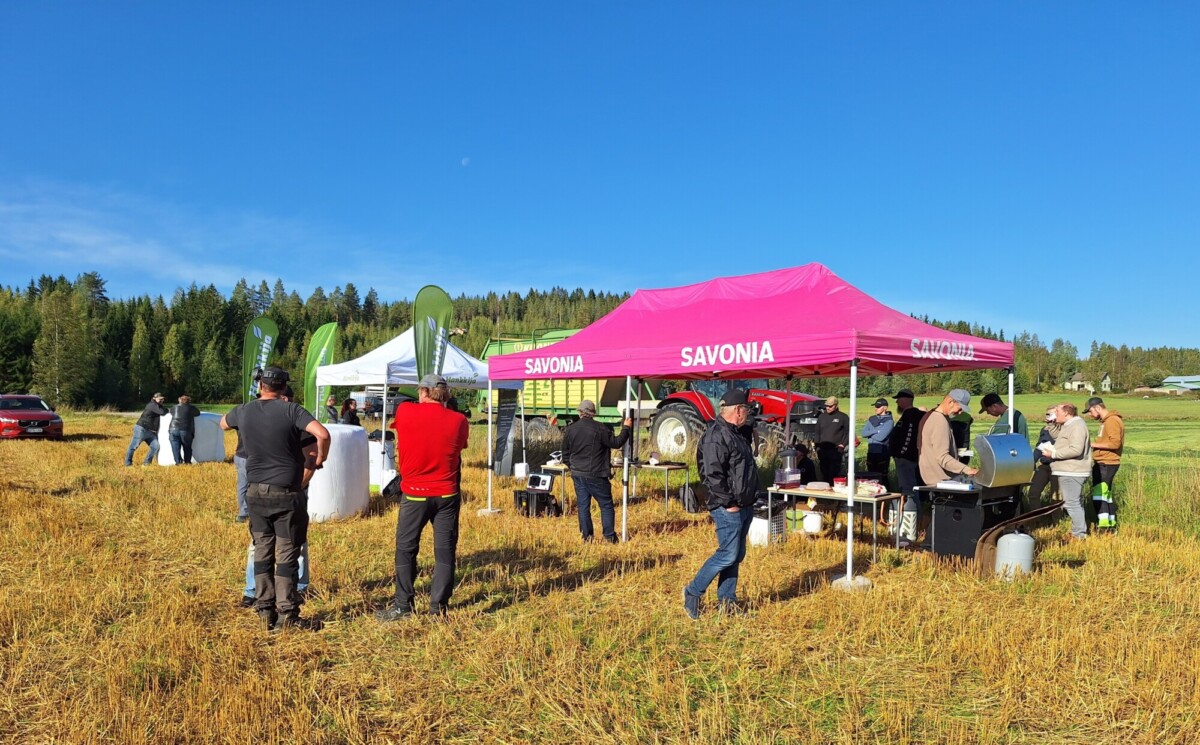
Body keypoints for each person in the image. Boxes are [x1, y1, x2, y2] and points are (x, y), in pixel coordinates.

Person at [221, 367, 330, 631]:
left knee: (262, 552)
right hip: (286, 493)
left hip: (256, 492)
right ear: (283, 388)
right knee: (287, 555)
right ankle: (287, 615)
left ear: (260, 385)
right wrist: (320, 459)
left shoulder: (244, 410)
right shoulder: (292, 410)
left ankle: (264, 611)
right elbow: (323, 434)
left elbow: (223, 423)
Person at [377, 374, 469, 621]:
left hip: (415, 493)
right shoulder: (459, 420)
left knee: (406, 550)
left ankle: (403, 607)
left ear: (423, 392)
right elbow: (460, 448)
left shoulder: (406, 411)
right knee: (445, 551)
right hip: (447, 492)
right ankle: (438, 608)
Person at [682, 388, 759, 620]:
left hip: (743, 504)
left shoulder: (735, 432)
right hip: (728, 507)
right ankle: (693, 591)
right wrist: (729, 503)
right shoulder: (716, 436)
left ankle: (727, 601)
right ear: (737, 410)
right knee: (727, 554)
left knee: (736, 555)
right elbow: (712, 476)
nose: (747, 413)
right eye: (745, 409)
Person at [239, 385, 314, 608]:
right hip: (275, 491)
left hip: (276, 491)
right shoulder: (262, 418)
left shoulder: (291, 421)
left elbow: (311, 457)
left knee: (283, 546)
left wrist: (298, 485)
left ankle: (286, 592)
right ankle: (260, 593)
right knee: (279, 547)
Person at [562, 400, 632, 543]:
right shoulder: (601, 428)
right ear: (593, 413)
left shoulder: (570, 429)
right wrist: (626, 428)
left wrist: (573, 467)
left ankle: (587, 538)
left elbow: (565, 455)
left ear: (580, 412)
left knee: (583, 507)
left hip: (578, 474)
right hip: (597, 474)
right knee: (606, 505)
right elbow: (616, 443)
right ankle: (609, 537)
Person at [1043, 403, 1092, 540]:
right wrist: (1051, 424)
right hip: (1069, 470)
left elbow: (1076, 449)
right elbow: (1058, 438)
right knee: (1074, 502)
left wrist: (1053, 454)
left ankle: (1079, 535)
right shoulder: (1069, 425)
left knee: (1071, 503)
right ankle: (1079, 531)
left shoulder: (1077, 425)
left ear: (1066, 413)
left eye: (1057, 412)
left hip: (1073, 470)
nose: (1054, 414)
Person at [919, 389, 980, 487]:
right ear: (950, 401)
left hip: (932, 477)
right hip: (942, 479)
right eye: (960, 409)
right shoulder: (939, 420)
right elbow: (942, 457)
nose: (960, 413)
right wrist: (967, 470)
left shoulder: (929, 415)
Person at [1084, 396, 1124, 531]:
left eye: (1090, 411)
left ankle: (1104, 527)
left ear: (1098, 408)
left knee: (1099, 494)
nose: (1090, 415)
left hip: (1107, 463)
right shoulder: (1106, 421)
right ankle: (1110, 525)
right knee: (1105, 494)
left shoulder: (1112, 421)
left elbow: (1115, 443)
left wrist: (1092, 444)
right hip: (1105, 462)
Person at [889, 389, 923, 541]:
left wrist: (901, 453)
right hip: (904, 458)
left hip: (906, 460)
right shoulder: (907, 415)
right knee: (907, 488)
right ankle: (910, 517)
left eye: (898, 399)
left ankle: (912, 521)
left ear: (905, 400)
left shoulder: (911, 416)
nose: (897, 402)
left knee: (909, 490)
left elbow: (908, 437)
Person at [1026, 406, 1061, 512]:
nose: (1048, 416)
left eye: (1051, 414)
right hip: (1044, 465)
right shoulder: (1044, 429)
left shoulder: (1064, 429)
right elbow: (1040, 446)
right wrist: (1032, 460)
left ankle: (1057, 521)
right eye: (1047, 414)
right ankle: (1036, 519)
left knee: (1056, 497)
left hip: (1058, 466)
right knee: (1033, 493)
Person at [124, 392, 167, 466]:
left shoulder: (157, 405)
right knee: (133, 446)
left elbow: (163, 410)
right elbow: (162, 412)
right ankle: (128, 463)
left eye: (162, 399)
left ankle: (146, 463)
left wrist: (163, 407)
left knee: (155, 446)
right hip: (142, 429)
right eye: (159, 399)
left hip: (150, 432)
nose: (161, 400)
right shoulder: (152, 405)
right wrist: (165, 409)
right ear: (154, 398)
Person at [814, 396, 850, 481]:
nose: (828, 408)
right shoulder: (822, 417)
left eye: (830, 406)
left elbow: (849, 432)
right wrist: (817, 446)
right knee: (824, 473)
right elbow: (817, 432)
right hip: (823, 450)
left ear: (836, 405)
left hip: (836, 450)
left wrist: (843, 444)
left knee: (834, 473)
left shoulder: (843, 417)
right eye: (826, 406)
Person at [860, 397, 893, 479]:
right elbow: (863, 433)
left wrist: (870, 433)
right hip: (871, 452)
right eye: (875, 406)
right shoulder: (872, 418)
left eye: (878, 407)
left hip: (882, 453)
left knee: (882, 478)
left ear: (885, 407)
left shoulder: (889, 421)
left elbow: (880, 437)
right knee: (870, 477)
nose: (876, 408)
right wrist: (876, 431)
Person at [167, 394, 201, 465]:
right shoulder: (191, 408)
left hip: (173, 429)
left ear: (180, 401)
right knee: (187, 447)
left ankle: (178, 462)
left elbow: (170, 412)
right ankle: (187, 462)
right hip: (185, 430)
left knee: (175, 448)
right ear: (189, 401)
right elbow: (198, 413)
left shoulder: (174, 407)